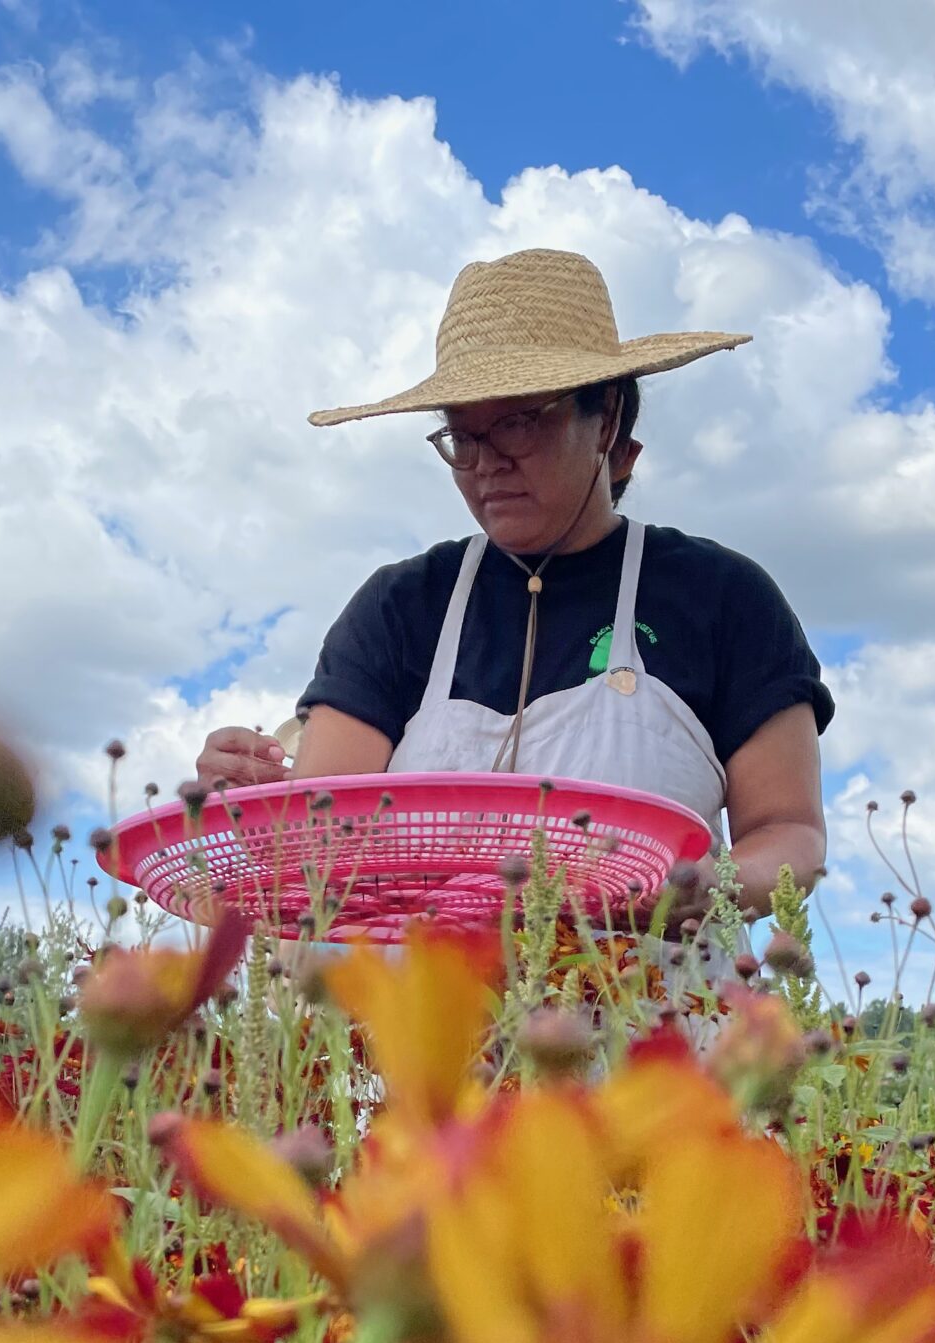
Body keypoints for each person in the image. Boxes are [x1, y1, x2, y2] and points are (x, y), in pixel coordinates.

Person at [196, 247, 830, 916]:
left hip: (648, 1007)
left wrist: (699, 890)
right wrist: (246, 797)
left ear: (607, 417)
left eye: (520, 423)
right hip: (422, 1010)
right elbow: (315, 839)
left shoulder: (721, 597)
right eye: (462, 438)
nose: (485, 465)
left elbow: (789, 832)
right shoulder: (403, 608)